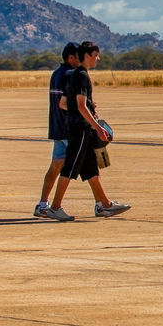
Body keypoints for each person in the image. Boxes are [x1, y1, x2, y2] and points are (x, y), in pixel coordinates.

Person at [45, 41, 131, 221]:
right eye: (95, 55)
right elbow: (81, 106)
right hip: (80, 129)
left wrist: (87, 109)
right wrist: (98, 127)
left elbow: (63, 103)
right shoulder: (82, 76)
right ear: (87, 56)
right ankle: (54, 207)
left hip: (77, 126)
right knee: (70, 168)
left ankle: (105, 205)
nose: (97, 59)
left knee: (91, 166)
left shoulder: (74, 74)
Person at [35, 42, 79, 219]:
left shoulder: (56, 73)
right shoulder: (70, 74)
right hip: (68, 128)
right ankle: (102, 204)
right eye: (79, 56)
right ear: (71, 58)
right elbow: (66, 103)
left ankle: (43, 204)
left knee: (56, 166)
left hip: (57, 127)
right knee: (86, 167)